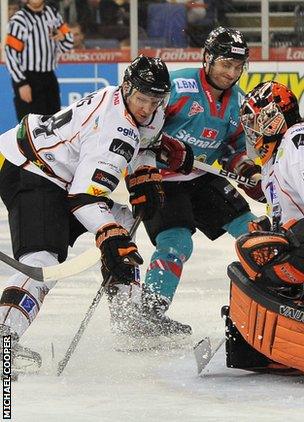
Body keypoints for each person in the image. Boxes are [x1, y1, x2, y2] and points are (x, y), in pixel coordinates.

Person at [0, 55, 183, 369]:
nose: (147, 108)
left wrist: (144, 174)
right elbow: (84, 198)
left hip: (57, 171)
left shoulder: (144, 109)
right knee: (43, 261)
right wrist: (108, 238)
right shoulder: (112, 133)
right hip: (29, 168)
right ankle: (4, 335)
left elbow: (147, 143)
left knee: (123, 223)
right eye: (142, 99)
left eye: (155, 100)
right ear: (127, 88)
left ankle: (129, 321)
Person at [138, 27, 265, 333]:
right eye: (225, 64)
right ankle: (148, 316)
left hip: (201, 175)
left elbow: (233, 148)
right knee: (177, 241)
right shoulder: (178, 86)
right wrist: (159, 145)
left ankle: (278, 301)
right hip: (159, 177)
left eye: (237, 67)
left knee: (254, 232)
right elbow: (138, 124)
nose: (231, 72)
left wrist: (248, 171)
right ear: (208, 59)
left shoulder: (238, 100)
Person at [224, 80, 304, 373]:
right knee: (252, 253)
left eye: (257, 119)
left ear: (274, 117)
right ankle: (262, 349)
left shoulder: (297, 141)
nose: (253, 128)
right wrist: (273, 228)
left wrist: (290, 235)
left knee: (265, 261)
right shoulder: (277, 155)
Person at [4, 0, 73, 122]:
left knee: (53, 123)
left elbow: (68, 42)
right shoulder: (19, 20)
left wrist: (63, 38)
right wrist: (21, 83)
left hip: (49, 76)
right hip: (28, 78)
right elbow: (11, 54)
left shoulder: (53, 14)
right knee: (30, 124)